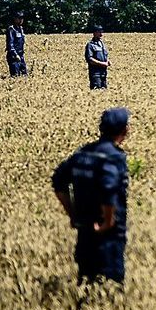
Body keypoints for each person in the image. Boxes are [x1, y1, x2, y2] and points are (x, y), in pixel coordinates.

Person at [52, 107, 130, 285]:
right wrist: (108, 222)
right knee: (110, 287)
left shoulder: (83, 153)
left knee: (86, 281)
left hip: (84, 228)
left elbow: (58, 182)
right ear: (124, 130)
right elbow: (108, 190)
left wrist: (73, 214)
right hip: (108, 235)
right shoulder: (113, 158)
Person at [6, 11, 28, 77]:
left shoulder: (20, 29)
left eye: (22, 18)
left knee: (25, 74)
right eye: (19, 18)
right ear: (15, 19)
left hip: (21, 55)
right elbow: (10, 44)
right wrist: (15, 55)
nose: (21, 20)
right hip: (14, 57)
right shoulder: (11, 29)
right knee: (16, 75)